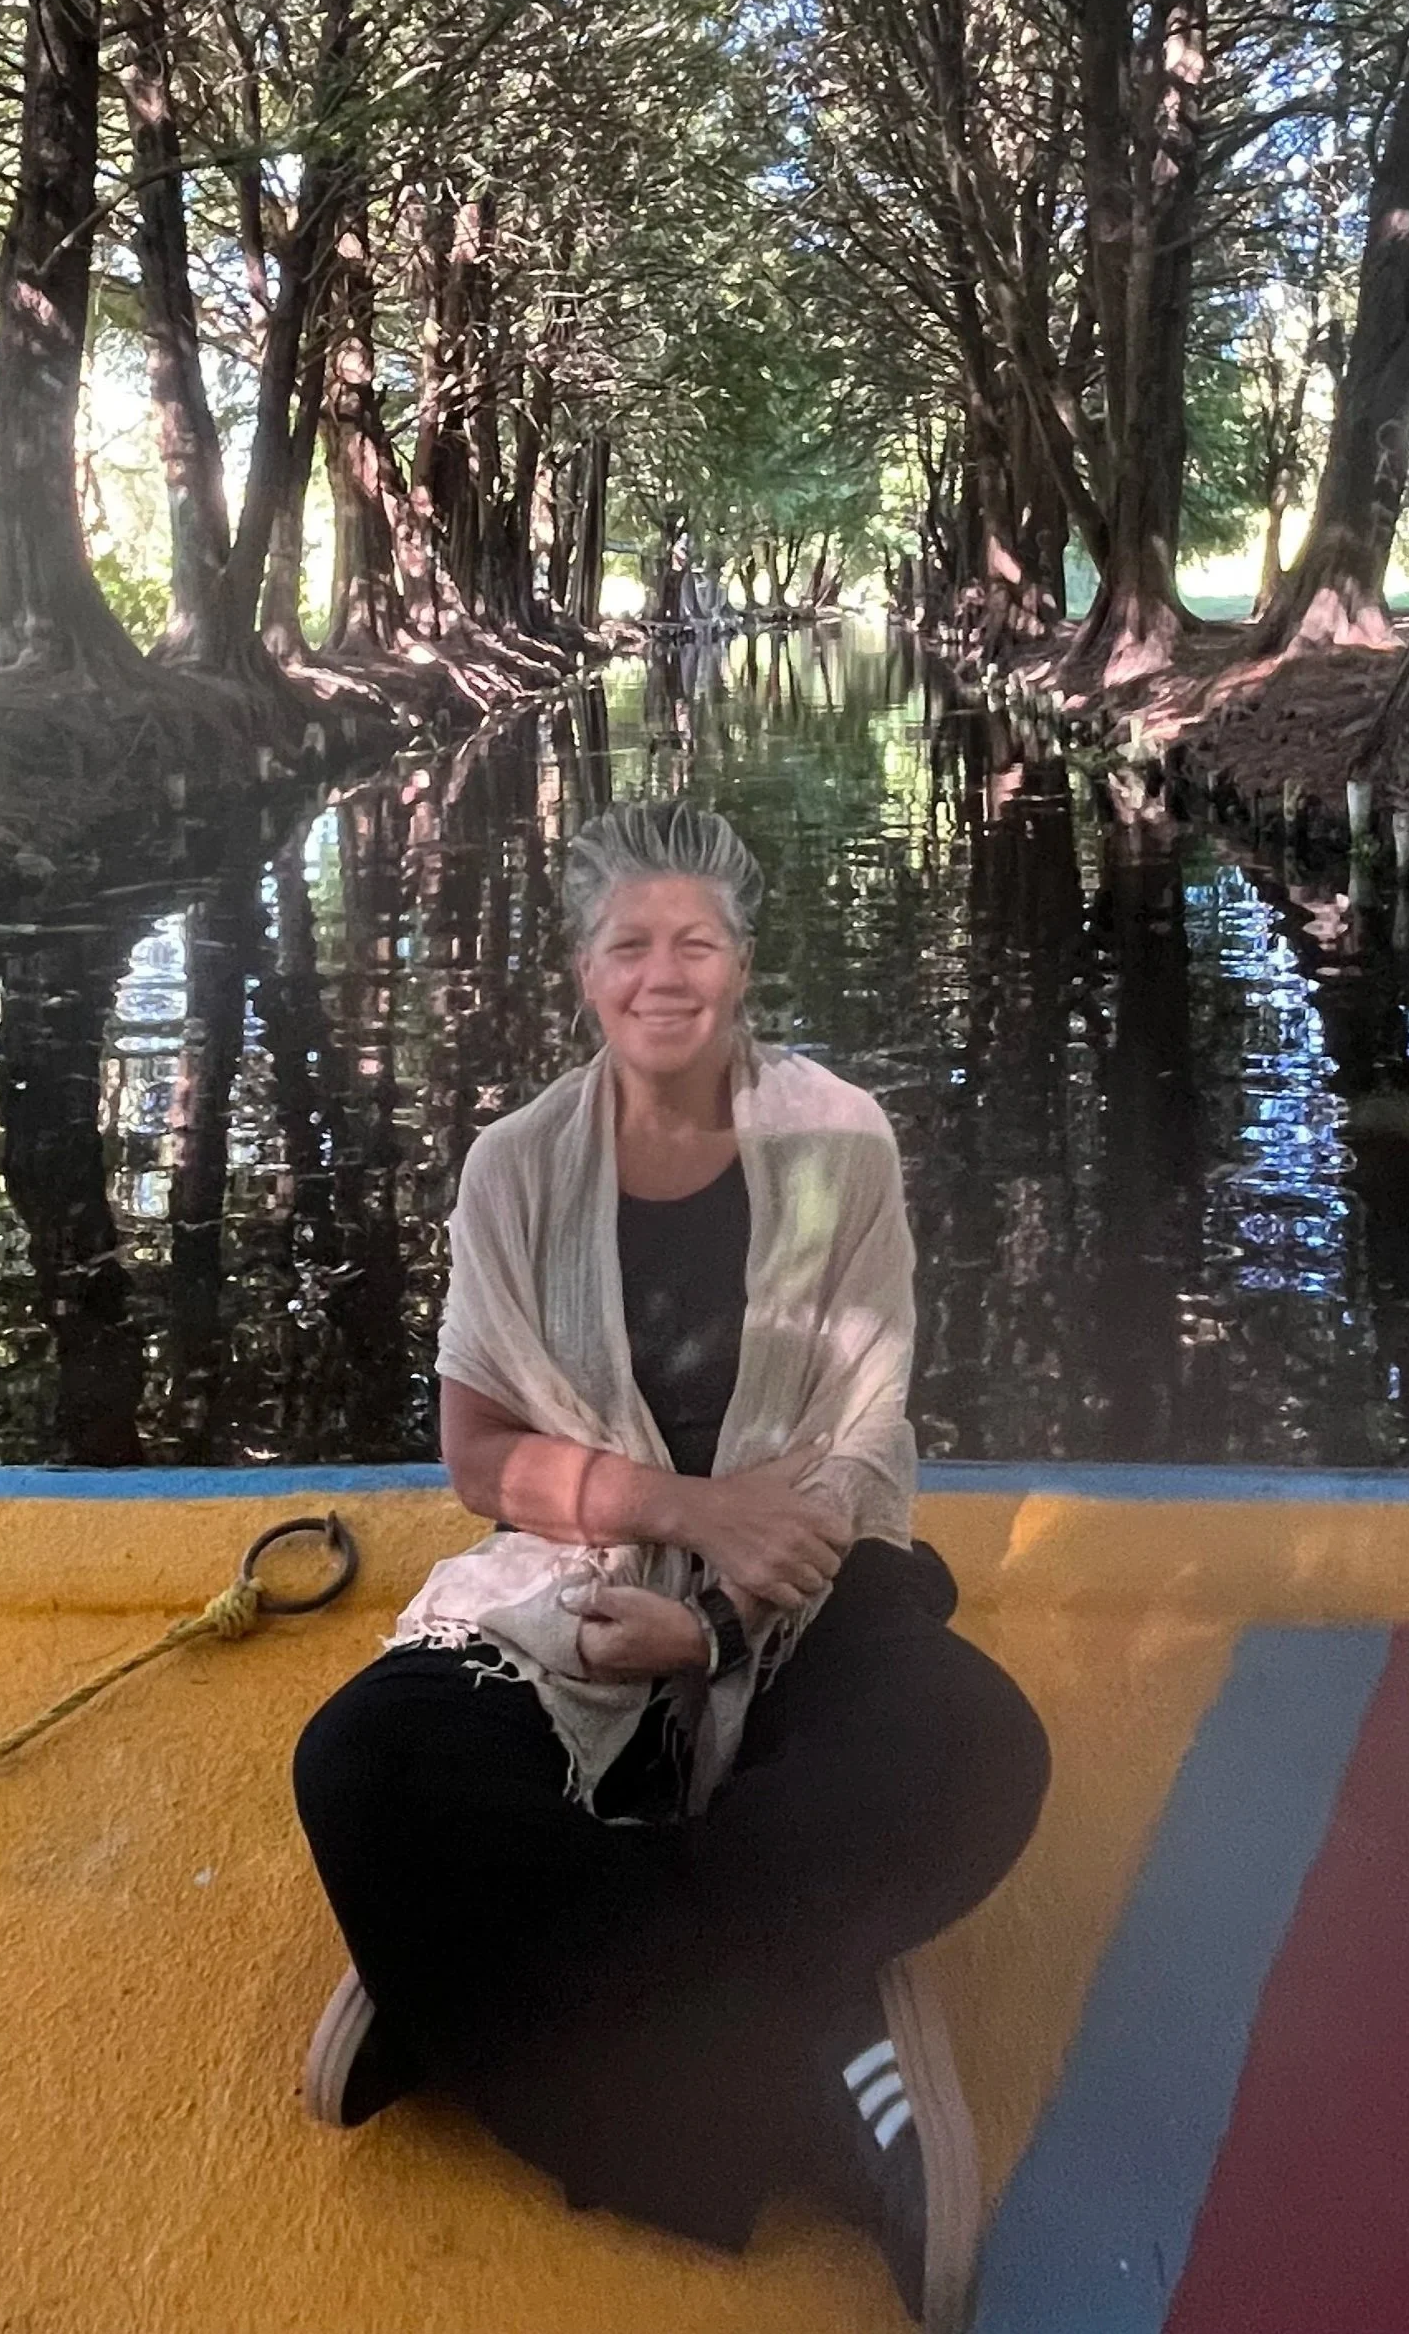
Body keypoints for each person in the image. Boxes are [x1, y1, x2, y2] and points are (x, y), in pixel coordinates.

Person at [291, 798, 1050, 2331]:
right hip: (578, 1569)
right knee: (364, 1760)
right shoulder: (513, 1170)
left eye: (692, 940)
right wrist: (684, 1522)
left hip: (816, 1569)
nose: (662, 973)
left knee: (967, 1745)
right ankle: (818, 2042)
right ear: (582, 971)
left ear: (741, 960)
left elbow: (868, 1419)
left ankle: (472, 1989)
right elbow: (478, 1457)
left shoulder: (841, 1139)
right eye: (627, 943)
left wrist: (714, 1640)